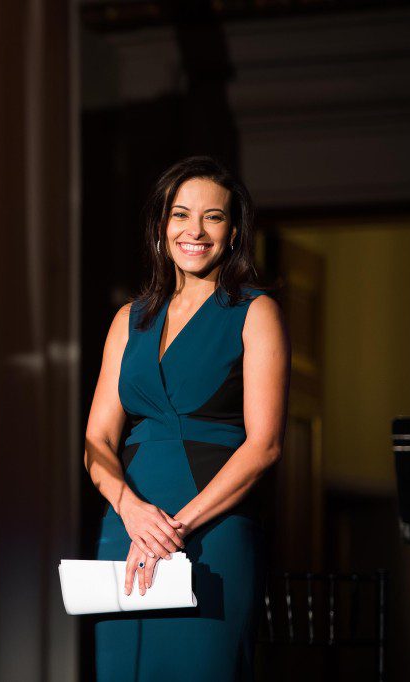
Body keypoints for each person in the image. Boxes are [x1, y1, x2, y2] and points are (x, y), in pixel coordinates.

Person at [83, 156, 289, 680]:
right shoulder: (129, 319)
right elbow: (97, 440)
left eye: (213, 217)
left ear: (234, 231)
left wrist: (173, 529)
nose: (194, 230)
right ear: (161, 227)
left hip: (210, 531)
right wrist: (131, 511)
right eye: (181, 215)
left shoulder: (255, 311)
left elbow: (263, 446)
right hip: (126, 530)